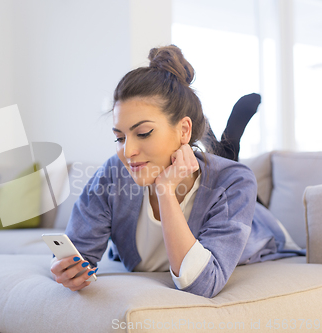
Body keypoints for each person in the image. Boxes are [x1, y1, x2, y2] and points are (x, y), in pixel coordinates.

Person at [49, 44, 305, 298]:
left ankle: (225, 147)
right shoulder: (114, 174)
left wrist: (165, 190)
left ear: (183, 130)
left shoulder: (235, 180)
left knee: (228, 170)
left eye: (143, 133)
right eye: (119, 138)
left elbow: (202, 284)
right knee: (218, 162)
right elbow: (78, 253)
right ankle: (219, 145)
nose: (127, 152)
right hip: (207, 178)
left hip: (258, 229)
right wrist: (68, 268)